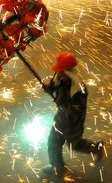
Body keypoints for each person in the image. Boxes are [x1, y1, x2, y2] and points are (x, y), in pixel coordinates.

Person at [41, 52, 104, 180]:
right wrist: (49, 89)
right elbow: (55, 90)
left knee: (73, 144)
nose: (57, 73)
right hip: (60, 120)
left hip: (73, 122)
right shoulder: (59, 78)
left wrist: (62, 106)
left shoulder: (78, 89)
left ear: (67, 71)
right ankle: (57, 168)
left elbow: (74, 111)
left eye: (60, 71)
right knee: (53, 142)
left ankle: (97, 148)